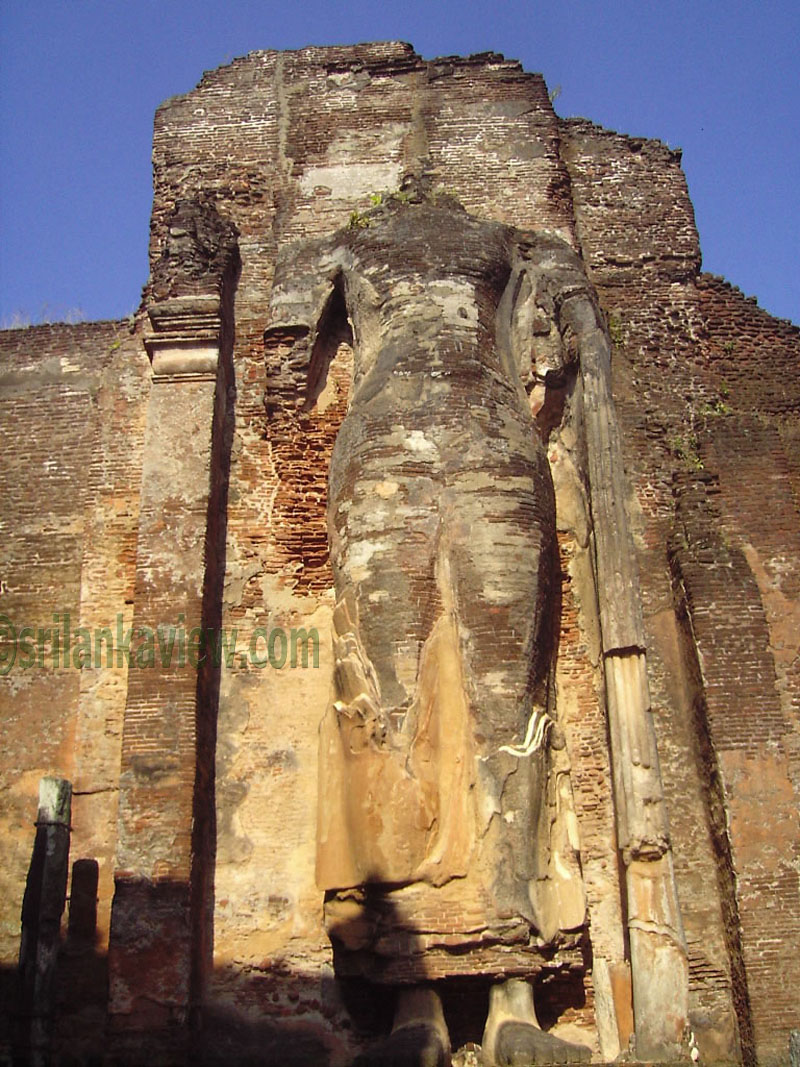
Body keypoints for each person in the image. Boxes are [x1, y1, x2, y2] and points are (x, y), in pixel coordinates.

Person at [266, 182, 591, 1065]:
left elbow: (576, 347)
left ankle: (516, 988)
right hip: (379, 458)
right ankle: (415, 997)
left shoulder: (515, 241)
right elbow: (283, 363)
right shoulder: (341, 243)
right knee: (386, 712)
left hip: (497, 450)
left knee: (511, 708)